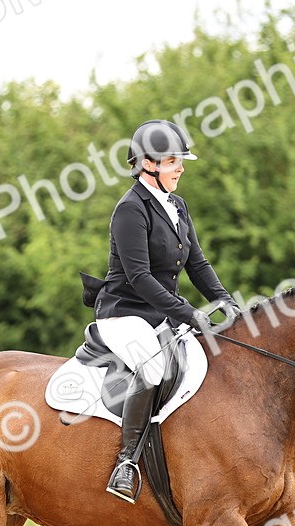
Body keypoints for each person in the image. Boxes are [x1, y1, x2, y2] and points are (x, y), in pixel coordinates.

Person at [81, 119, 243, 503]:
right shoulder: (129, 210)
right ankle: (126, 463)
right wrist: (189, 312)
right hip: (124, 312)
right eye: (173, 161)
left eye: (180, 160)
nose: (181, 167)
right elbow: (138, 278)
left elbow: (198, 265)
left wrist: (226, 301)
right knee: (153, 367)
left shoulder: (177, 206)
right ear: (147, 164)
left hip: (159, 314)